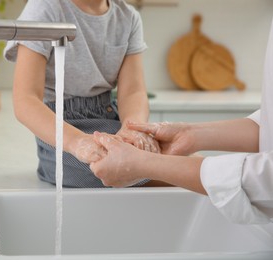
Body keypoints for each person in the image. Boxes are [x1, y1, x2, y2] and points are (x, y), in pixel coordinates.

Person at [90, 18, 273, 224]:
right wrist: (191, 134)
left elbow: (267, 180)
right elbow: (269, 128)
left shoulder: (127, 19)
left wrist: (146, 164)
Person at [4, 0, 159, 187]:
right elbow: (25, 100)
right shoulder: (45, 8)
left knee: (182, 161)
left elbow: (133, 92)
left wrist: (132, 130)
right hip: (61, 131)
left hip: (110, 120)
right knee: (165, 171)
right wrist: (77, 142)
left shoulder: (127, 16)